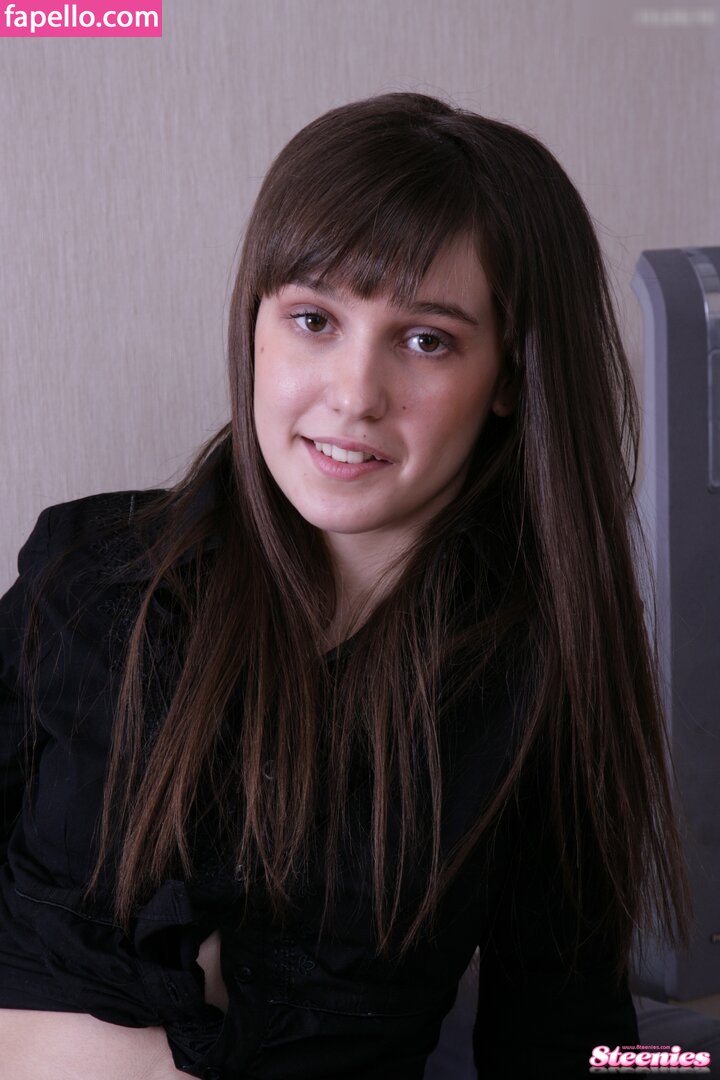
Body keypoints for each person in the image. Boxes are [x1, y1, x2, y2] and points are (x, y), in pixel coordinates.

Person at [0, 92, 690, 1079]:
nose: (355, 395)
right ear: (256, 326)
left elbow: (566, 1040)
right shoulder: (94, 577)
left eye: (427, 339)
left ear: (508, 376)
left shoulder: (537, 687)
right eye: (314, 319)